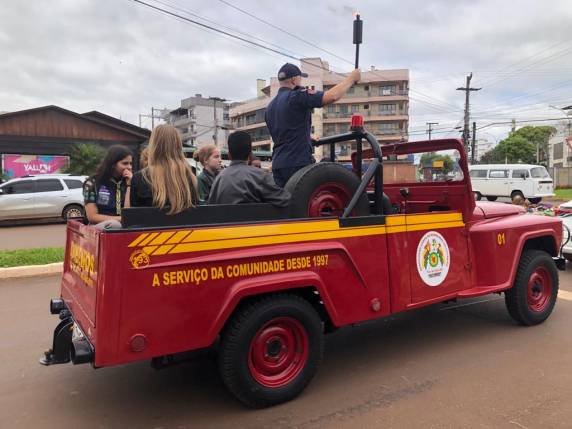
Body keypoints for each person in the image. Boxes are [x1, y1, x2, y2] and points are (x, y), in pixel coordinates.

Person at [265, 63, 361, 187]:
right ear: (294, 80)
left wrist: (305, 135)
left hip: (278, 164)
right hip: (297, 163)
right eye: (300, 78)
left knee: (285, 203)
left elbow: (285, 130)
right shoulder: (297, 95)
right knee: (305, 202)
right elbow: (331, 96)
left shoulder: (270, 107)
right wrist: (351, 78)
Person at [208, 131, 290, 207]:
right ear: (250, 154)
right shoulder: (260, 176)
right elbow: (285, 199)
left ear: (229, 155)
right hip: (253, 222)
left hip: (225, 221)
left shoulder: (218, 179)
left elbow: (211, 208)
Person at [130, 124, 198, 214]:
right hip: (183, 227)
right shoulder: (190, 174)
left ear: (153, 144)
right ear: (178, 144)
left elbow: (134, 216)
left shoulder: (139, 177)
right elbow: (195, 211)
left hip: (150, 227)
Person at [83, 145, 133, 227]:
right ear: (113, 164)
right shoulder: (92, 183)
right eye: (125, 163)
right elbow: (92, 217)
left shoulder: (129, 181)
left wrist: (129, 185)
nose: (129, 167)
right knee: (115, 225)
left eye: (131, 163)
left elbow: (128, 212)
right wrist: (122, 219)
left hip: (123, 225)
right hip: (98, 227)